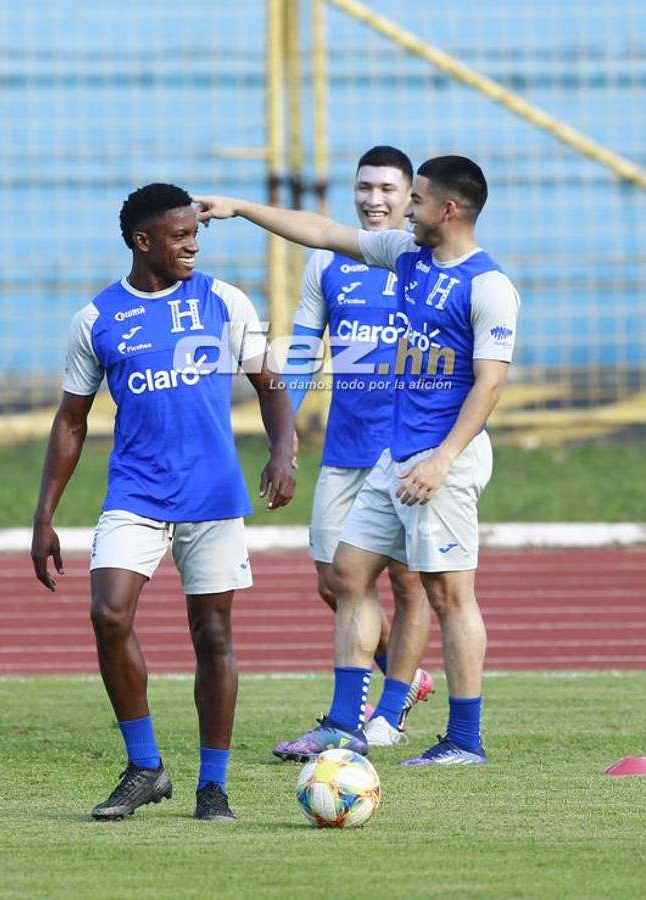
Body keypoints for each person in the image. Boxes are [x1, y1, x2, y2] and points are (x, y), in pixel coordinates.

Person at [196, 155, 520, 765]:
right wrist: (240, 209)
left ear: (449, 210)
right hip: (394, 456)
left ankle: (464, 740)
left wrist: (443, 460)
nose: (405, 208)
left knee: (449, 595)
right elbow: (322, 232)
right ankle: (345, 725)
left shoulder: (489, 285)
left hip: (440, 461)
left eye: (417, 200)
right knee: (347, 573)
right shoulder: (408, 255)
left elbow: (490, 385)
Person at [31, 182, 296, 821]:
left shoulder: (223, 301)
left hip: (212, 495)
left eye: (195, 234)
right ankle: (145, 766)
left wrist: (283, 451)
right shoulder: (97, 319)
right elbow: (71, 421)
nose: (193, 246)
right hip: (136, 492)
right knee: (108, 613)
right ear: (142, 241)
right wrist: (45, 515)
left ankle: (213, 786)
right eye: (180, 237)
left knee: (212, 635)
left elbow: (271, 383)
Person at [272, 146, 433, 762]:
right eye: (365, 187)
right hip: (345, 448)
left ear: (410, 195)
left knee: (407, 579)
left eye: (388, 190)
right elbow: (304, 348)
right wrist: (283, 433)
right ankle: (405, 673)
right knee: (334, 580)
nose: (374, 199)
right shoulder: (327, 262)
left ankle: (384, 711)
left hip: (406, 452)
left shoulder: (425, 263)